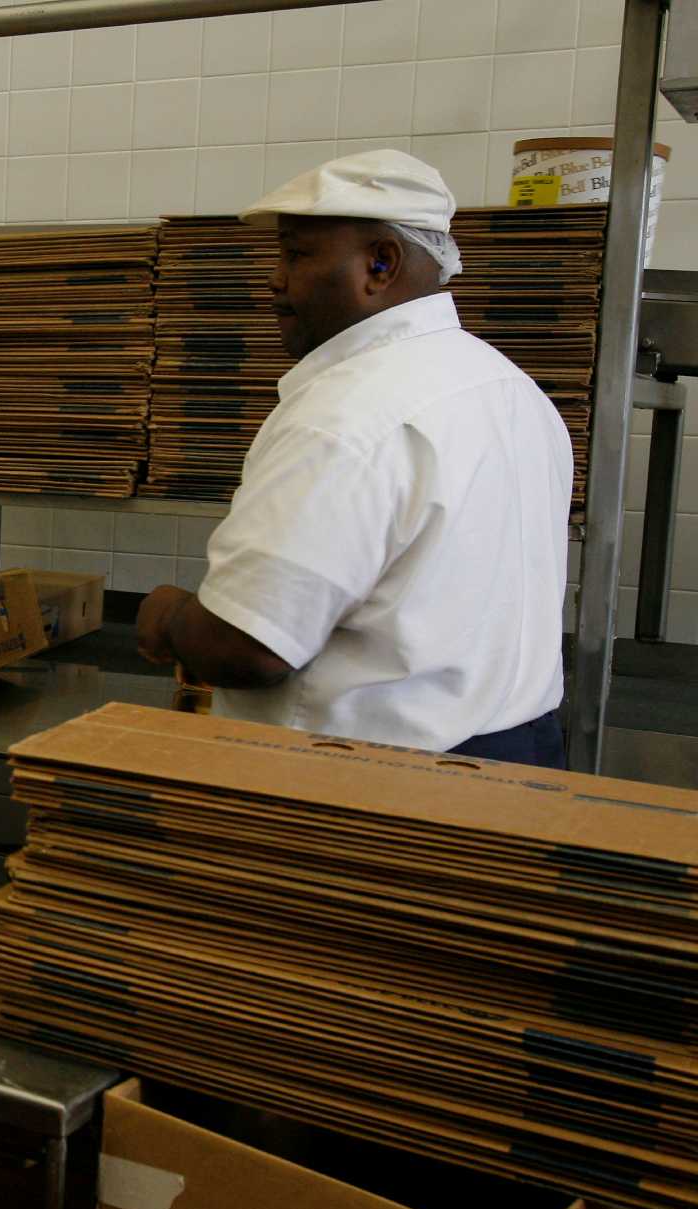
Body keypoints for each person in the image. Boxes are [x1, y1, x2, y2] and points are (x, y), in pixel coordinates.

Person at [135, 149, 571, 768]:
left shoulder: (347, 415)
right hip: (519, 757)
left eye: (296, 253)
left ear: (380, 263)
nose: (275, 279)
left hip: (379, 783)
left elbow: (248, 648)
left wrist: (169, 616)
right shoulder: (508, 386)